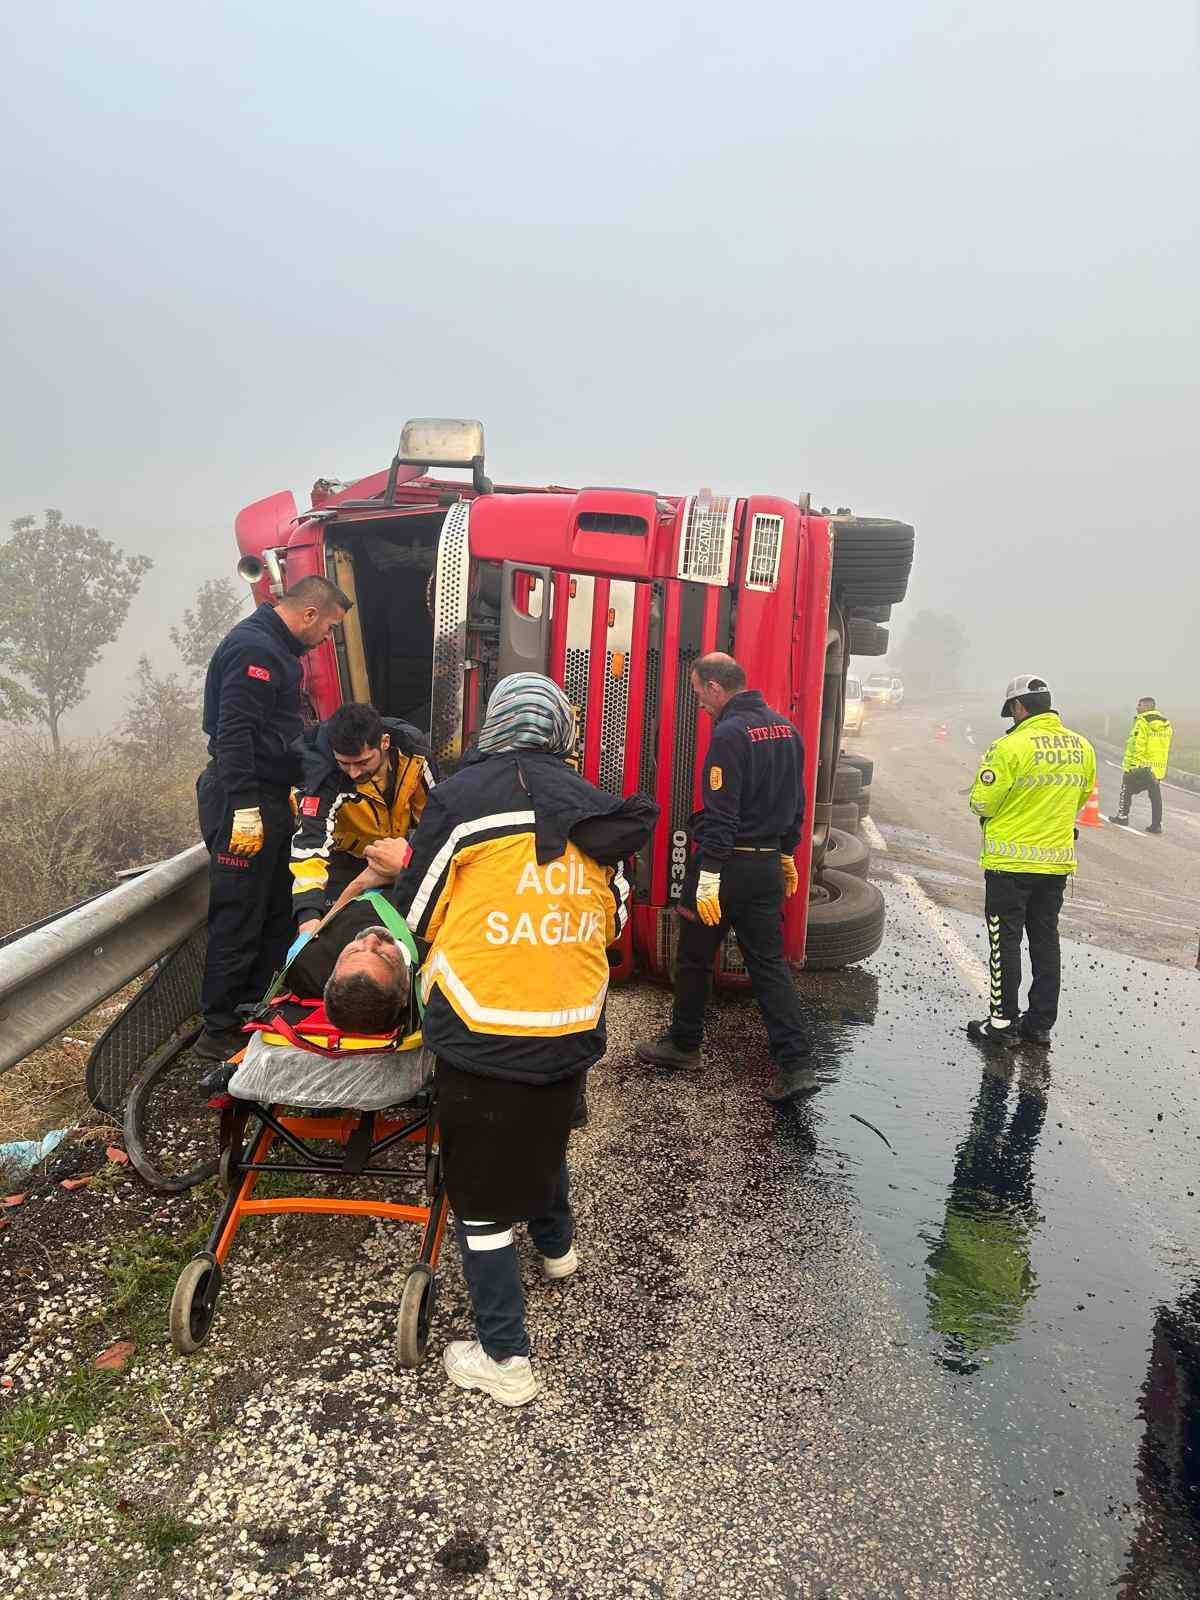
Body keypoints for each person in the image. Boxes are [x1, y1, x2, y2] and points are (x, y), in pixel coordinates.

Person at [390, 672, 658, 1406]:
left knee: (477, 1199)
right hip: (570, 1023)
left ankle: (505, 1360)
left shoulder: (458, 803)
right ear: (562, 733)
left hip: (481, 1027)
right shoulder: (599, 809)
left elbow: (414, 917)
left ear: (494, 726)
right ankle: (558, 1248)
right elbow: (612, 921)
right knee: (546, 1134)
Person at [633, 652, 814, 1103]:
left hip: (725, 867)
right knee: (768, 966)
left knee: (694, 958)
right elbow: (797, 802)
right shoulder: (786, 730)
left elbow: (721, 811)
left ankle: (683, 1044)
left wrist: (710, 872)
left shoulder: (730, 734)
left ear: (716, 686)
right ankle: (796, 1066)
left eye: (698, 693)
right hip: (767, 867)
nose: (699, 704)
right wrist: (787, 852)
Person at [195, 575, 351, 1060]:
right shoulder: (255, 651)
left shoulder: (279, 652)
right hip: (244, 797)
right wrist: (243, 806)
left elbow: (278, 730)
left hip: (267, 796)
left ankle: (252, 1009)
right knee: (240, 911)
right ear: (309, 614)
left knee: (272, 909)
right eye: (328, 628)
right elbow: (234, 733)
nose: (328, 638)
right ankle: (217, 1030)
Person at [966, 674, 1096, 1049]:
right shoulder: (1081, 747)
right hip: (1055, 864)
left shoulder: (1009, 747)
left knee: (1004, 940)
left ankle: (1002, 1023)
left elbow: (983, 802)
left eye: (1012, 711)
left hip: (1009, 864)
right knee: (1045, 940)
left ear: (1019, 708)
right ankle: (1038, 1025)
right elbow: (1080, 798)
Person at [290, 701, 436, 934]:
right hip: (345, 863)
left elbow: (433, 822)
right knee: (340, 931)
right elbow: (310, 843)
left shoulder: (414, 756)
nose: (354, 772)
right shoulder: (325, 776)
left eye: (362, 762)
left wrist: (410, 859)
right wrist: (308, 915)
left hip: (400, 855)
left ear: (384, 743)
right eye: (344, 763)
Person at [1109, 696, 1173, 835]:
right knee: (1155, 796)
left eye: (1139, 705)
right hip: (1157, 768)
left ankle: (1122, 817)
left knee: (1126, 788)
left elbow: (1138, 746)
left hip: (1141, 767)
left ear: (1146, 706)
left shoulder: (1142, 722)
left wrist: (1132, 767)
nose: (1137, 707)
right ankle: (1156, 825)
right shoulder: (1166, 724)